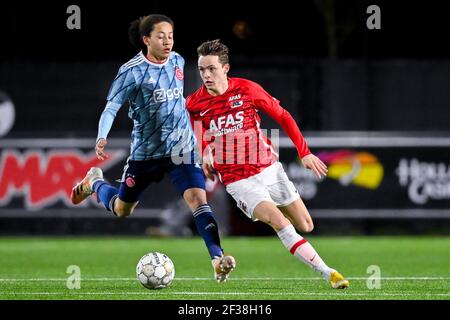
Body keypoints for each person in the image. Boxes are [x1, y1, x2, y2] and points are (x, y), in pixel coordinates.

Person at [70, 16, 235, 283]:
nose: (168, 40)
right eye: (161, 36)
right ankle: (95, 182)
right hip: (146, 154)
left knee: (198, 199)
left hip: (181, 149)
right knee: (123, 209)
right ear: (146, 40)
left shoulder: (178, 61)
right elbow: (112, 107)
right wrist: (102, 136)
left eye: (170, 35)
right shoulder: (131, 71)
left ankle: (217, 259)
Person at [186, 39, 349, 289]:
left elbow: (283, 116)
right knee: (280, 223)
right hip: (239, 181)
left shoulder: (247, 90)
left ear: (225, 68)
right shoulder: (194, 103)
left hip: (269, 170)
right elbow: (199, 131)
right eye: (202, 69)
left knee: (306, 224)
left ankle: (280, 223)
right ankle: (329, 273)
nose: (206, 74)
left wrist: (304, 153)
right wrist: (206, 151)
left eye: (212, 68)